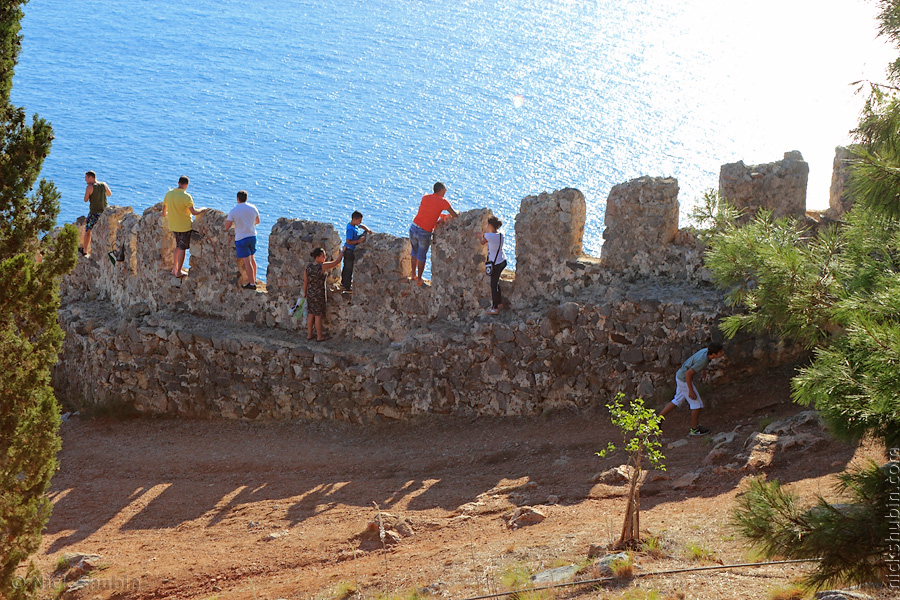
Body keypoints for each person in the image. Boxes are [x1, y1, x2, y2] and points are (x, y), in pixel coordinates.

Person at [660, 342, 726, 436]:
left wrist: (703, 371)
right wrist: (690, 391)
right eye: (720, 352)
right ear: (714, 354)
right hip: (684, 379)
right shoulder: (703, 360)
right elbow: (688, 374)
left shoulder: (706, 352)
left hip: (679, 375)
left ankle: (657, 419)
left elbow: (697, 362)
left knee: (677, 400)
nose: (722, 353)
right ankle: (694, 429)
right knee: (697, 404)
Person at [409, 182, 458, 285]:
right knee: (421, 255)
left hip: (414, 227)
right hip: (424, 231)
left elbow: (428, 210)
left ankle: (413, 275)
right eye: (444, 191)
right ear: (440, 191)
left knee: (414, 252)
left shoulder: (425, 197)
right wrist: (446, 216)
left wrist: (439, 214)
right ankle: (419, 279)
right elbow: (454, 215)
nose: (445, 193)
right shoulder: (443, 202)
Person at [162, 176, 205, 278]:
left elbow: (163, 212)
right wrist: (202, 209)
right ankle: (178, 272)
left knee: (178, 246)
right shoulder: (186, 197)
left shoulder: (169, 194)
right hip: (184, 226)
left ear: (178, 183)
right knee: (182, 248)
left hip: (173, 225)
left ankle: (174, 269)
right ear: (186, 185)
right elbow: (194, 212)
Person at [303, 247, 343, 342]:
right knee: (318, 315)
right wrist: (342, 252)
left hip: (310, 293)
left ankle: (309, 335)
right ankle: (319, 336)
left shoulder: (308, 267)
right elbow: (336, 262)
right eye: (323, 255)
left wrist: (305, 293)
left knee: (311, 313)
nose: (325, 257)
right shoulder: (322, 266)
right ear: (317, 257)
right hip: (319, 294)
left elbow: (305, 282)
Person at [224, 190, 261, 290]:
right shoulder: (253, 208)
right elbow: (257, 221)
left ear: (237, 199)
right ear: (246, 198)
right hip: (252, 236)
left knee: (247, 262)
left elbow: (227, 226)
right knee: (252, 258)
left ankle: (252, 284)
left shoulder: (234, 211)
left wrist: (236, 224)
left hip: (241, 238)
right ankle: (254, 278)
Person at [479, 216, 507, 314]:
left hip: (495, 264)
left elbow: (482, 242)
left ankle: (495, 308)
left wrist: (480, 236)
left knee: (493, 285)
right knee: (496, 282)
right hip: (502, 261)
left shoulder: (489, 236)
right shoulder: (501, 235)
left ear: (490, 225)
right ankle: (499, 303)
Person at [80, 171, 112, 257]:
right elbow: (109, 194)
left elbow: (85, 199)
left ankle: (85, 250)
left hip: (94, 212)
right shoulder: (103, 184)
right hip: (104, 212)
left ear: (91, 177)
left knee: (88, 231)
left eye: (86, 177)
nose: (85, 180)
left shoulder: (89, 187)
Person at [341, 210, 372, 292]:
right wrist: (359, 241)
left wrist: (368, 230)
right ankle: (346, 287)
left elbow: (362, 226)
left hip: (350, 250)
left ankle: (344, 284)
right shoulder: (350, 229)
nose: (360, 222)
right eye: (359, 220)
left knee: (347, 268)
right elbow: (348, 241)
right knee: (348, 269)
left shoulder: (355, 225)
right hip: (349, 250)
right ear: (354, 219)